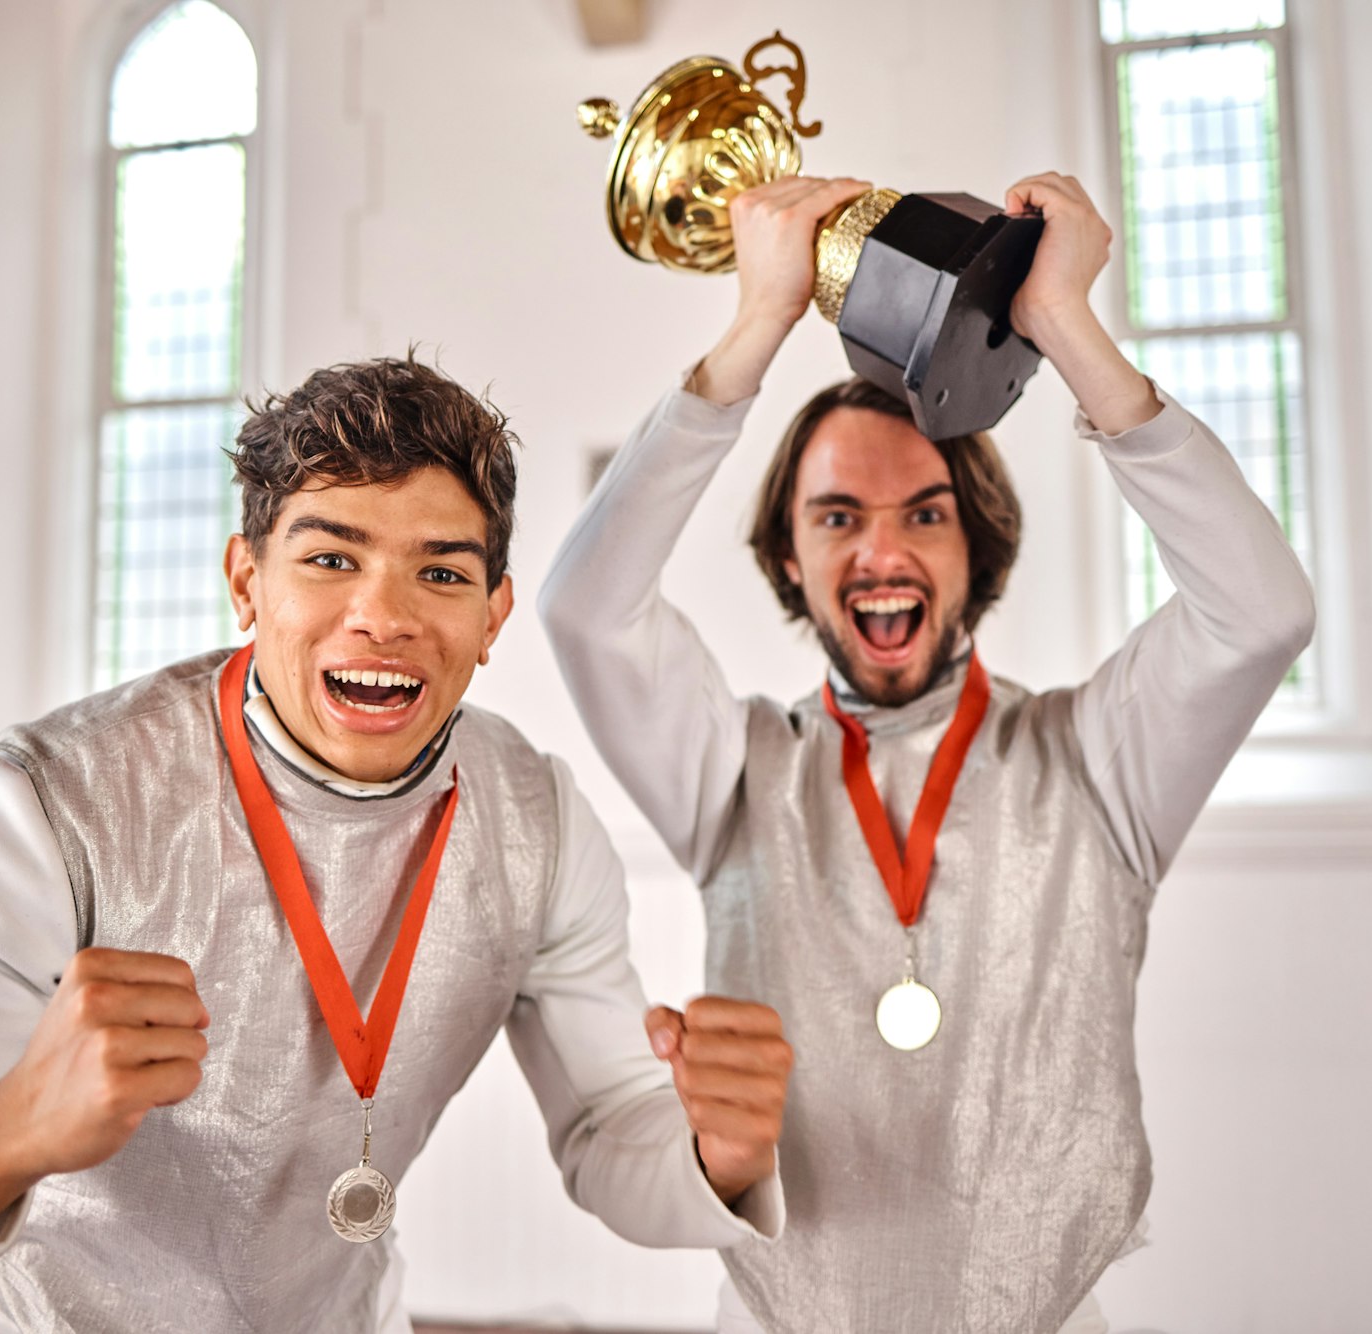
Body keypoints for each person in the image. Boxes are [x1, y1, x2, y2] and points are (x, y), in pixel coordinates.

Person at [0, 354, 791, 1334]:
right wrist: (1, 1134)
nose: (381, 615)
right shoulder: (38, 806)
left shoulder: (537, 818)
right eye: (330, 557)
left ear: (492, 613)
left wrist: (716, 1149)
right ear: (246, 581)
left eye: (439, 572)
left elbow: (612, 1133)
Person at [539, 173, 1316, 1333]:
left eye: (923, 511)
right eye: (836, 515)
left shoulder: (1098, 761)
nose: (880, 548)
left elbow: (1259, 613)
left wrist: (1060, 323)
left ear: (978, 543)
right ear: (788, 559)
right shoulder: (733, 768)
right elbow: (586, 612)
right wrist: (756, 323)